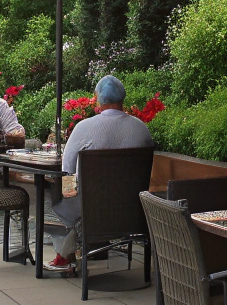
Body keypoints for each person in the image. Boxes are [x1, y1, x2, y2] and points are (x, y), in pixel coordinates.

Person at [44, 74, 154, 274]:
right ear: (123, 99)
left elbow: (67, 170)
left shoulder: (84, 128)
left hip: (91, 208)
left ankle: (67, 253)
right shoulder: (141, 129)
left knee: (58, 197)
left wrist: (66, 195)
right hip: (134, 209)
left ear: (98, 99)